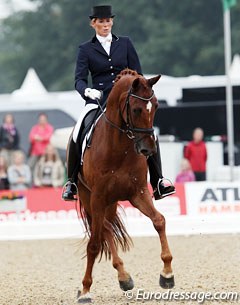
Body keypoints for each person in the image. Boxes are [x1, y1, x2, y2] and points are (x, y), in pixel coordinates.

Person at [62, 5, 175, 201]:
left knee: (150, 133)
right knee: (78, 130)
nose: (105, 25)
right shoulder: (86, 49)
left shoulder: (125, 43)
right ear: (93, 24)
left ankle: (158, 181)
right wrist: (87, 91)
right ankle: (71, 181)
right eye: (101, 22)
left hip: (126, 100)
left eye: (108, 21)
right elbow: (79, 79)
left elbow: (138, 74)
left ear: (112, 22)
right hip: (98, 98)